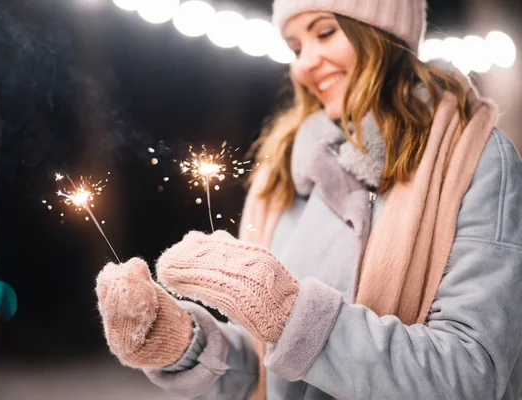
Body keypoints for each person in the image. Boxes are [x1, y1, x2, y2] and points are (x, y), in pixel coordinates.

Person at [95, 0, 522, 398]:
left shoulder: (471, 159)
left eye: (325, 32)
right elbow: (267, 370)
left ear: (382, 33)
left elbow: (471, 373)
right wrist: (182, 342)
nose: (304, 64)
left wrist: (290, 313)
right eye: (296, 46)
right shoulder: (285, 173)